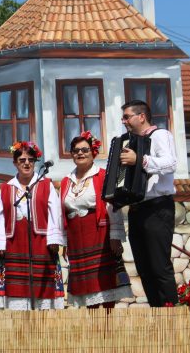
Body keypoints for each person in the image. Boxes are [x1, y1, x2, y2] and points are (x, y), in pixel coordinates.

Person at [61, 131, 133, 308]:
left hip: (99, 233)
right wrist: (64, 242)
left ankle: (107, 326)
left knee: (105, 283)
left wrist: (115, 236)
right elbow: (61, 213)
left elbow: (112, 206)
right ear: (71, 155)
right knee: (87, 286)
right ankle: (93, 327)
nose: (80, 153)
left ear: (93, 153)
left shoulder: (103, 176)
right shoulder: (66, 181)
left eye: (84, 150)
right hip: (77, 238)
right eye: (76, 150)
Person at [0, 141, 65, 310]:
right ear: (15, 163)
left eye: (31, 160)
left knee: (42, 291)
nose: (27, 163)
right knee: (16, 292)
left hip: (41, 244)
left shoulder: (46, 185)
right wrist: (0, 243)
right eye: (22, 160)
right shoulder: (6, 188)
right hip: (14, 244)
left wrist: (54, 240)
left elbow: (56, 213)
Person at [119, 100, 178, 307]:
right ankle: (157, 313)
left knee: (159, 266)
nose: (123, 120)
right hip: (137, 209)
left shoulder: (160, 135)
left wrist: (141, 160)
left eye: (127, 116)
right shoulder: (132, 142)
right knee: (144, 268)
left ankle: (171, 316)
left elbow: (170, 163)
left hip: (157, 207)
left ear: (141, 117)